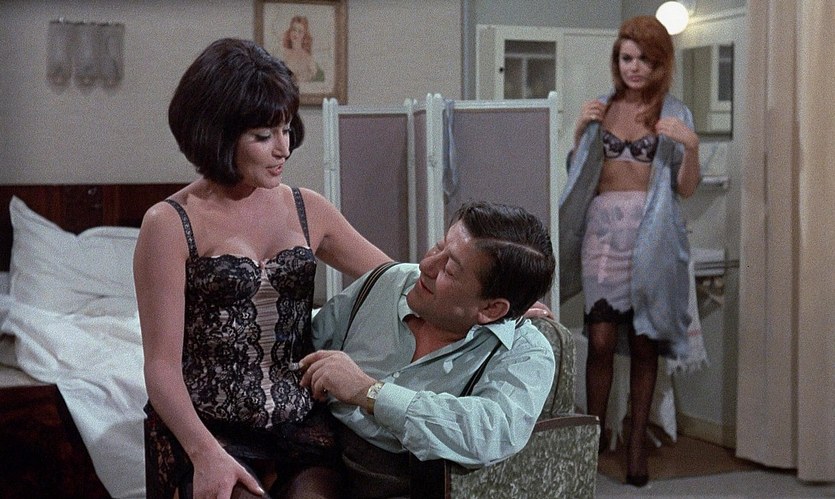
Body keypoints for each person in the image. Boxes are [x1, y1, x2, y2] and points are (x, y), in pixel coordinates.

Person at [133, 38, 391, 499]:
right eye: (263, 136)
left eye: (287, 130)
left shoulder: (308, 208)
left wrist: (501, 303)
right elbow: (161, 368)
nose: (283, 149)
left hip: (301, 427)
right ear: (218, 134)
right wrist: (206, 453)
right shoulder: (169, 224)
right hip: (208, 430)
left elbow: (395, 283)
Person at [299, 201, 557, 498]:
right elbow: (306, 339)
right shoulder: (388, 281)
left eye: (450, 270)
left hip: (410, 483)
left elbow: (488, 433)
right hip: (321, 457)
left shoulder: (525, 353)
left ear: (491, 309)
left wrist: (370, 392)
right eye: (439, 246)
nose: (426, 265)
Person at [558, 16, 700, 487]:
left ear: (660, 64)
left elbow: (686, 188)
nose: (634, 67)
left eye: (644, 59)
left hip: (651, 236)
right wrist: (579, 132)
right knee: (599, 340)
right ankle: (594, 435)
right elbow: (578, 177)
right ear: (616, 61)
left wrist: (691, 146)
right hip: (602, 234)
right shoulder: (602, 107)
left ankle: (636, 442)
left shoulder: (673, 112)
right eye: (626, 58)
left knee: (644, 341)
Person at [281, 15, 324, 83]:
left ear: (304, 35)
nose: (295, 33)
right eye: (294, 29)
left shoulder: (308, 58)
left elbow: (312, 78)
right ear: (290, 31)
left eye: (300, 31)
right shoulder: (283, 53)